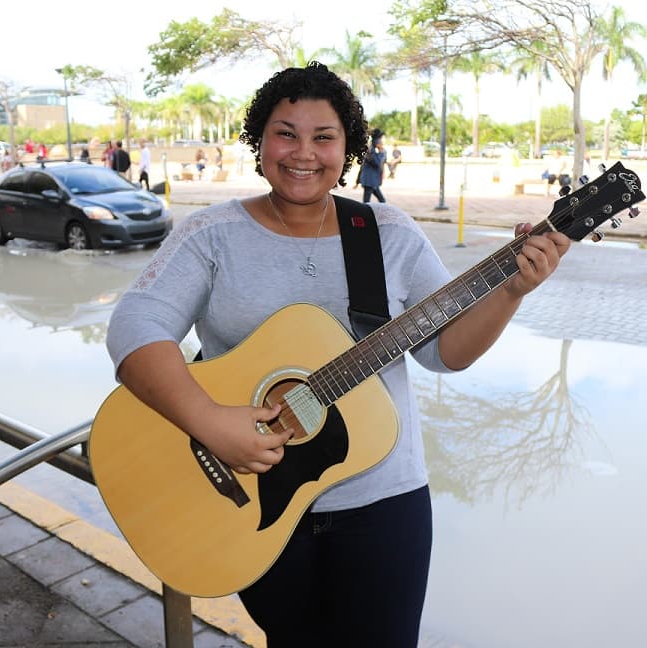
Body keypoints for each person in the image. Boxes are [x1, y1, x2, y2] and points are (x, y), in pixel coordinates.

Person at [104, 61, 569, 646]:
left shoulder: (390, 234)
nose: (304, 152)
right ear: (259, 140)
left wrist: (511, 291)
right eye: (285, 133)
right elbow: (134, 327)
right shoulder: (211, 235)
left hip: (384, 504)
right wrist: (212, 423)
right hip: (249, 501)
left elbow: (446, 355)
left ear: (348, 147)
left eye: (324, 137)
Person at [358, 127, 387, 203]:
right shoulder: (371, 151)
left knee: (381, 200)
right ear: (377, 141)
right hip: (369, 181)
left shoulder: (372, 150)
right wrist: (381, 152)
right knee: (367, 202)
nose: (382, 142)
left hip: (372, 181)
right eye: (380, 140)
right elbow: (377, 164)